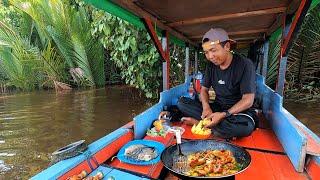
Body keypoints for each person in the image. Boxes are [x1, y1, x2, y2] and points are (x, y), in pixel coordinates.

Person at [177, 28, 257, 139]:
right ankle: (212, 125)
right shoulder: (211, 65)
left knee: (245, 127)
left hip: (238, 113)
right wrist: (206, 107)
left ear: (227, 47)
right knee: (182, 103)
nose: (210, 56)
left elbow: (248, 100)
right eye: (206, 52)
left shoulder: (245, 64)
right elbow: (204, 90)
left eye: (213, 50)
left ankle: (199, 123)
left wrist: (224, 114)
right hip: (217, 108)